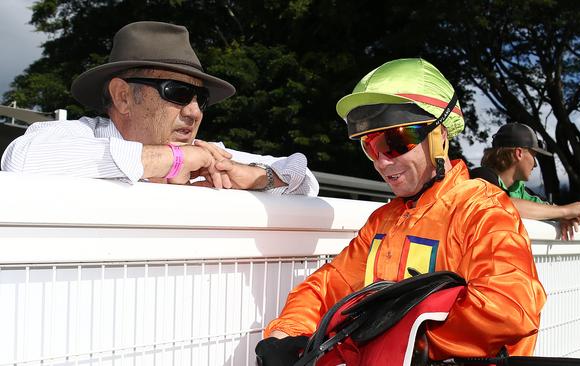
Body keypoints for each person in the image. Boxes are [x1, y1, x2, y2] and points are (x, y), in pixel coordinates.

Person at [255, 58, 546, 364]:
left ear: (440, 135)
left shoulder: (483, 209)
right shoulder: (383, 221)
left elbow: (510, 309)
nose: (381, 161)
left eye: (394, 141)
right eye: (370, 146)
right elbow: (326, 286)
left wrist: (380, 338)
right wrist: (287, 336)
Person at [0, 21, 318, 196]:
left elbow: (305, 180)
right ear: (122, 96)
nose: (194, 112)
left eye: (201, 99)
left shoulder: (206, 156)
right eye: (178, 92)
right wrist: (174, 159)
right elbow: (21, 158)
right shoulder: (79, 136)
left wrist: (258, 178)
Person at [470, 123, 580, 239]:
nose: (535, 165)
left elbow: (547, 208)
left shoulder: (521, 191)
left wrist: (563, 216)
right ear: (519, 153)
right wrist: (565, 211)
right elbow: (500, 204)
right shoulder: (479, 177)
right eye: (534, 156)